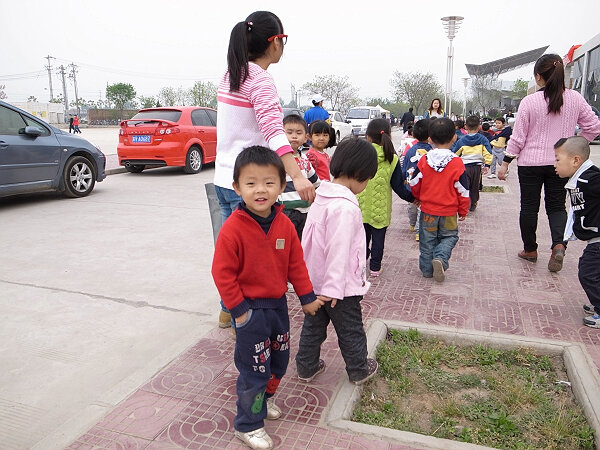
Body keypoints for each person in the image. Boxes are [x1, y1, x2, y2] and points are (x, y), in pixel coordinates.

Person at [211, 146, 325, 450]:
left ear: (281, 185)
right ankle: (248, 424)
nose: (260, 190)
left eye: (269, 182)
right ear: (236, 188)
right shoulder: (232, 229)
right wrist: (240, 312)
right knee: (254, 370)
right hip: (250, 311)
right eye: (250, 183)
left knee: (279, 362)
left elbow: (296, 265)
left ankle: (263, 402)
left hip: (277, 307)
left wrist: (307, 297)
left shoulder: (284, 224)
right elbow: (222, 274)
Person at [214, 11, 315, 329]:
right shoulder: (259, 79)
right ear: (274, 42)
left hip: (225, 179)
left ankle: (227, 309)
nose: (283, 46)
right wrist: (297, 176)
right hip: (251, 183)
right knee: (253, 259)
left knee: (233, 250)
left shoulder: (231, 74)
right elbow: (274, 132)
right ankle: (244, 325)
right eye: (283, 40)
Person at [497, 53, 600, 272]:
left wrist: (505, 162)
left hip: (530, 163)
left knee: (529, 207)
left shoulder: (529, 102)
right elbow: (594, 127)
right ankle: (558, 245)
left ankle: (530, 250)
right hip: (561, 163)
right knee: (556, 206)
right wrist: (576, 145)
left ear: (538, 77)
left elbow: (518, 137)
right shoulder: (575, 99)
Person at [295, 137, 379, 386]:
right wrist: (333, 289)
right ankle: (359, 369)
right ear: (360, 175)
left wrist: (309, 284)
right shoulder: (344, 208)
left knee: (313, 326)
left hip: (315, 284)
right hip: (339, 288)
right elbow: (339, 250)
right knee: (351, 329)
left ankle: (306, 367)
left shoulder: (322, 196)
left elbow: (308, 243)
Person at [409, 118, 469, 282]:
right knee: (449, 237)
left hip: (428, 210)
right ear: (454, 137)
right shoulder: (457, 163)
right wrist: (463, 210)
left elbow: (414, 182)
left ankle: (428, 270)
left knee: (427, 240)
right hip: (449, 212)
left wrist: (417, 197)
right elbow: (463, 190)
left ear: (430, 139)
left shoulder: (424, 160)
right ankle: (441, 258)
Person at [357, 119, 415, 277]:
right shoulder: (392, 158)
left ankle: (360, 264)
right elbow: (398, 187)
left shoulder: (360, 154)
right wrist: (413, 198)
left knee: (361, 239)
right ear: (388, 135)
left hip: (359, 207)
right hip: (380, 208)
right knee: (378, 240)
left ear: (368, 136)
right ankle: (375, 268)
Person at [553, 137, 600, 328]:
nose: (554, 164)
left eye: (557, 159)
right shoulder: (579, 178)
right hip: (593, 237)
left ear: (575, 160)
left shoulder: (591, 178)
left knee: (587, 273)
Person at [279, 114, 320, 239]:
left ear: (306, 138)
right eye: (289, 132)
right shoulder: (278, 159)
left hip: (305, 210)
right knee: (286, 244)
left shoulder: (305, 159)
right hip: (286, 211)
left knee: (303, 243)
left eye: (299, 133)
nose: (294, 136)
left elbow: (316, 182)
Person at [452, 115, 492, 212]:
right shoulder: (483, 139)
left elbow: (455, 153)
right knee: (475, 186)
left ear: (465, 126)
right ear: (479, 126)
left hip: (464, 167)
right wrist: (487, 165)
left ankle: (464, 203)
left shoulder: (462, 140)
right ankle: (473, 203)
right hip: (477, 168)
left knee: (464, 185)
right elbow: (488, 152)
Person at [402, 118, 432, 240]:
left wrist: (404, 179)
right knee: (422, 208)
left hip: (411, 182)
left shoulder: (410, 150)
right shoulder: (431, 150)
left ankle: (412, 224)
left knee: (412, 205)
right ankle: (419, 232)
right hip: (426, 184)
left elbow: (404, 166)